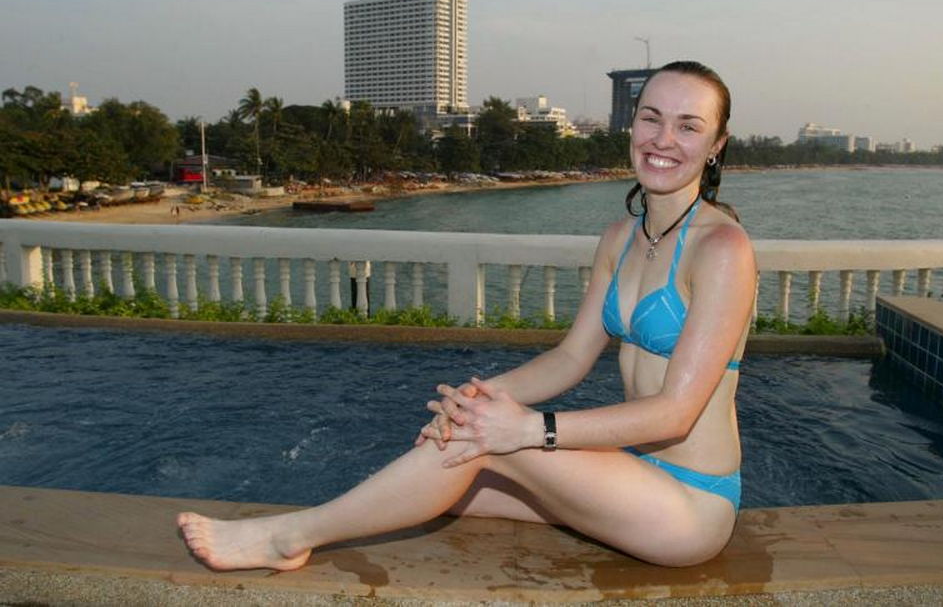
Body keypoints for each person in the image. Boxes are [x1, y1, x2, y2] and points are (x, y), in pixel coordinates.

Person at [177, 60, 756, 570]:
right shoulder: (619, 238)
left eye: (689, 126)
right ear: (631, 127)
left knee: (480, 445)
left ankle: (287, 538)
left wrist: (530, 429)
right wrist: (475, 398)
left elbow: (675, 414)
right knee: (450, 467)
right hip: (632, 476)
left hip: (689, 505)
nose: (663, 139)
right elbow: (570, 358)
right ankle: (311, 524)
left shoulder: (722, 249)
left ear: (716, 145)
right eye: (651, 118)